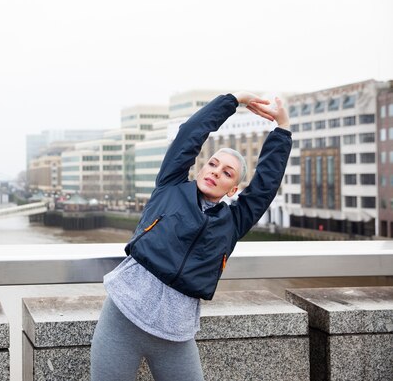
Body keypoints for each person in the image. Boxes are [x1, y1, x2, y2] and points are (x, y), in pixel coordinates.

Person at [90, 92, 292, 381]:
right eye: (212, 164)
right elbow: (190, 134)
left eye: (226, 173)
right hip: (123, 315)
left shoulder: (233, 221)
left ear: (233, 190)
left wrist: (282, 128)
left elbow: (265, 186)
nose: (215, 172)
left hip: (176, 333)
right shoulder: (170, 186)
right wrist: (233, 100)